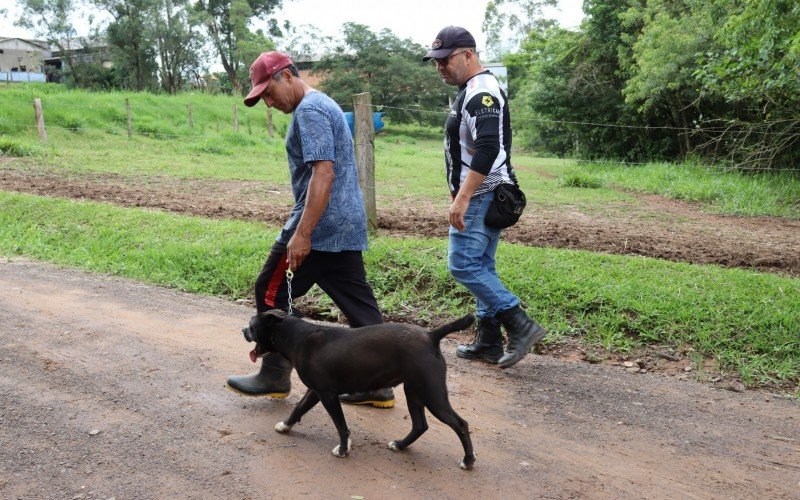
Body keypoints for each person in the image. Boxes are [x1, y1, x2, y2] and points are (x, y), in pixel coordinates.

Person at [226, 51, 394, 408]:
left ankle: (275, 373)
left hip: (320, 225)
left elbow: (324, 172)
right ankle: (378, 383)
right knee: (361, 309)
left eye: (268, 93)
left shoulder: (310, 111)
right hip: (345, 222)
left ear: (286, 76)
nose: (269, 103)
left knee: (269, 294)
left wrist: (302, 234)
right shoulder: (322, 105)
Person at [424, 26, 546, 368]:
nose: (440, 68)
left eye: (445, 60)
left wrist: (462, 197)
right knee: (482, 265)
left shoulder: (481, 94)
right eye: (436, 62)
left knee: (462, 264)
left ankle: (520, 325)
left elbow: (489, 147)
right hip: (485, 193)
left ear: (468, 55)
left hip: (481, 194)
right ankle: (489, 340)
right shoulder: (472, 90)